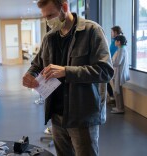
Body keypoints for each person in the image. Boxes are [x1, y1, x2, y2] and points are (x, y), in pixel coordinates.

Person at [22, 0, 114, 156]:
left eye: (51, 15)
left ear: (64, 7)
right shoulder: (49, 38)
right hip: (57, 117)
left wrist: (67, 71)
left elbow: (105, 71)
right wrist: (30, 74)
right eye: (45, 16)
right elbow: (36, 64)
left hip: (82, 118)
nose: (48, 21)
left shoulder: (92, 31)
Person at [111, 35, 130, 114]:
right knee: (117, 91)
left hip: (119, 73)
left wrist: (110, 63)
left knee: (117, 91)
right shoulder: (121, 49)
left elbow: (117, 62)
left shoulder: (121, 50)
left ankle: (120, 108)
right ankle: (119, 107)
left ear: (119, 42)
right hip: (118, 72)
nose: (114, 42)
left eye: (115, 41)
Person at [108, 26, 123, 104]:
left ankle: (112, 98)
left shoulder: (117, 41)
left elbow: (114, 54)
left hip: (114, 65)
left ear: (116, 32)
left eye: (112, 32)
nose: (111, 33)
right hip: (112, 63)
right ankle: (113, 98)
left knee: (109, 81)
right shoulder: (114, 41)